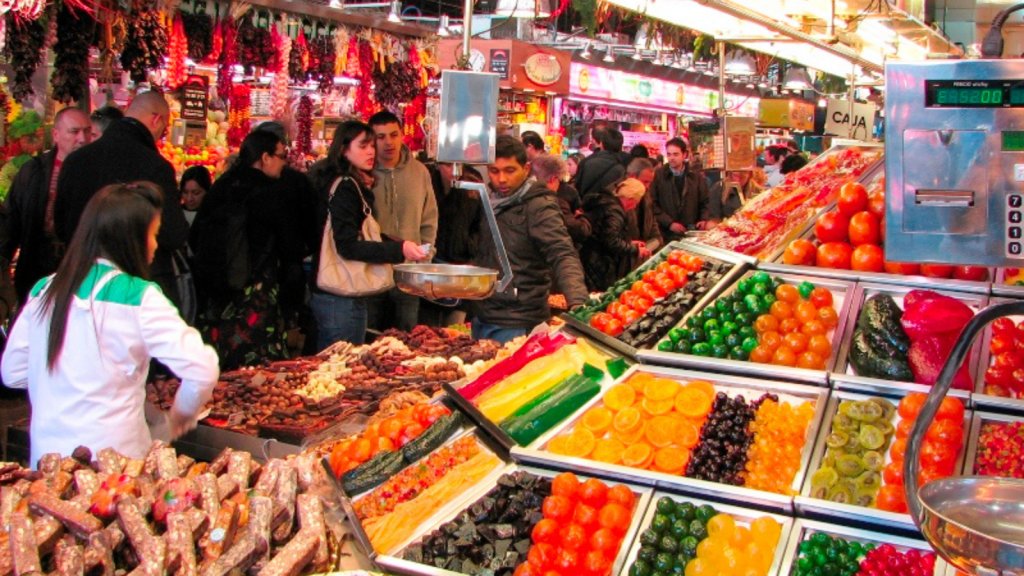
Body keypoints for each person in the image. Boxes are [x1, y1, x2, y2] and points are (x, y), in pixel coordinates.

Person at [1, 182, 218, 466]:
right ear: (131, 240)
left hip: (48, 464)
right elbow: (202, 369)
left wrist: (64, 381)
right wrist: (181, 417)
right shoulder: (138, 296)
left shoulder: (46, 289)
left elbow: (12, 371)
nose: (155, 245)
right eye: (152, 235)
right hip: (114, 471)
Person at [55, 91, 191, 312]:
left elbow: (61, 227)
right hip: (135, 293)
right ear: (156, 120)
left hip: (80, 286)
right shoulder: (155, 167)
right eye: (164, 129)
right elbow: (174, 234)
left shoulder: (75, 161)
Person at [309, 120, 429, 349]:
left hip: (341, 295)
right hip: (340, 295)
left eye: (371, 146)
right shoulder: (345, 187)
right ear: (344, 149)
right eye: (363, 146)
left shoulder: (346, 182)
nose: (371, 151)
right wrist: (398, 249)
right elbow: (348, 245)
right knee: (340, 365)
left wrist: (401, 245)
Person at [190, 130, 296, 368]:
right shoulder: (270, 192)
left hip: (217, 297)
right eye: (281, 156)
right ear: (265, 157)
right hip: (255, 296)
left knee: (221, 362)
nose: (284, 162)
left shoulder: (221, 185)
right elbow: (288, 246)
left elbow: (195, 235)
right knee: (258, 368)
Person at [472, 136, 588, 343]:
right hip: (484, 315)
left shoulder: (539, 206)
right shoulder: (486, 200)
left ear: (526, 169)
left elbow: (562, 253)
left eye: (509, 170)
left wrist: (578, 302)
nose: (501, 179)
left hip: (519, 322)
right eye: (494, 171)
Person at [0, 108, 93, 306]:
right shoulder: (34, 171)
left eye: (87, 131)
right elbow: (11, 222)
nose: (82, 139)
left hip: (80, 271)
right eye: (74, 131)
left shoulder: (97, 173)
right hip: (36, 267)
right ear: (56, 135)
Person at [365, 111, 438, 332]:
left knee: (408, 335)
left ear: (401, 135)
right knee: (370, 336)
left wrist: (427, 253)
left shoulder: (419, 172)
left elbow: (429, 217)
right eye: (381, 137)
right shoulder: (363, 173)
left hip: (409, 273)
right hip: (372, 271)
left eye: (393, 135)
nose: (389, 142)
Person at [580, 178, 652, 292]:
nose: (634, 207)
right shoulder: (615, 212)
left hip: (589, 255)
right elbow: (611, 241)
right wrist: (636, 250)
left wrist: (628, 241)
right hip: (599, 262)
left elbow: (606, 233)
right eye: (636, 202)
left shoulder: (606, 201)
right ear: (630, 199)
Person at [649, 137, 710, 241]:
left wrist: (703, 219)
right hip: (666, 232)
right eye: (669, 154)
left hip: (691, 231)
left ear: (684, 155)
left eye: (675, 154)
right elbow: (653, 204)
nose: (671, 158)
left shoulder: (695, 176)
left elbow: (705, 201)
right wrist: (669, 223)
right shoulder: (658, 176)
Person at [533, 154, 590, 250]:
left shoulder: (528, 194)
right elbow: (580, 229)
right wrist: (581, 217)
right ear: (554, 178)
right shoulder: (560, 198)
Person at [0, 111, 45, 203]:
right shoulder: (25, 137)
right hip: (15, 166)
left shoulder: (23, 136)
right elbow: (30, 147)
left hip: (15, 166)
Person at [624, 157, 662, 262]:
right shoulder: (620, 198)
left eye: (650, 183)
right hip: (625, 259)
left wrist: (657, 242)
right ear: (632, 177)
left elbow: (652, 224)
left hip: (641, 256)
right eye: (645, 182)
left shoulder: (646, 197)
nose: (647, 187)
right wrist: (634, 249)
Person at [574, 127, 626, 198]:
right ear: (621, 146)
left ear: (601, 143)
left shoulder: (587, 162)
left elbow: (577, 188)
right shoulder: (623, 167)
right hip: (610, 207)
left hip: (587, 205)